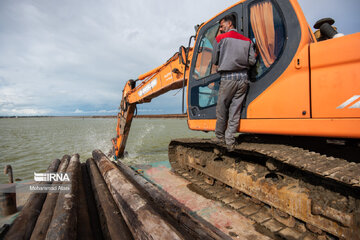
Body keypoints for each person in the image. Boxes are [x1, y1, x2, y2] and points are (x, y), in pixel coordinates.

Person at [212, 15, 256, 151]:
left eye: (221, 25)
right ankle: (230, 141)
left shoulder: (220, 38)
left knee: (221, 108)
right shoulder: (247, 41)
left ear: (229, 23)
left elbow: (215, 60)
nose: (221, 28)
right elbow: (252, 62)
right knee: (235, 111)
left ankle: (219, 138)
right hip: (243, 79)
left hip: (228, 78)